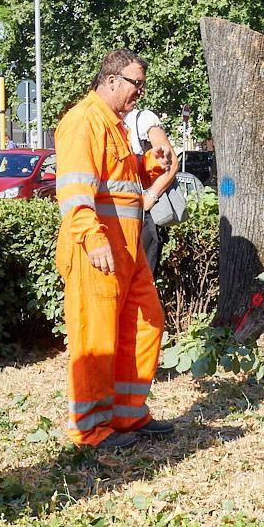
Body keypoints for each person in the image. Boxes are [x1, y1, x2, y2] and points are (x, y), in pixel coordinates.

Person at [54, 50, 171, 447]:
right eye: (135, 84)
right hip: (98, 251)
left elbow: (118, 179)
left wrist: (149, 164)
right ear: (110, 80)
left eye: (142, 85)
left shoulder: (114, 125)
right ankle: (90, 430)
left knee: (146, 322)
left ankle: (127, 415)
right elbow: (73, 190)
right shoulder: (83, 121)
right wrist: (92, 237)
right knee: (96, 339)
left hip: (126, 249)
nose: (139, 92)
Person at [125, 99, 180, 276]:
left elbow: (171, 163)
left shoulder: (142, 119)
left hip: (143, 213)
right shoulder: (105, 121)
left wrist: (151, 196)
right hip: (121, 213)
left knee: (143, 275)